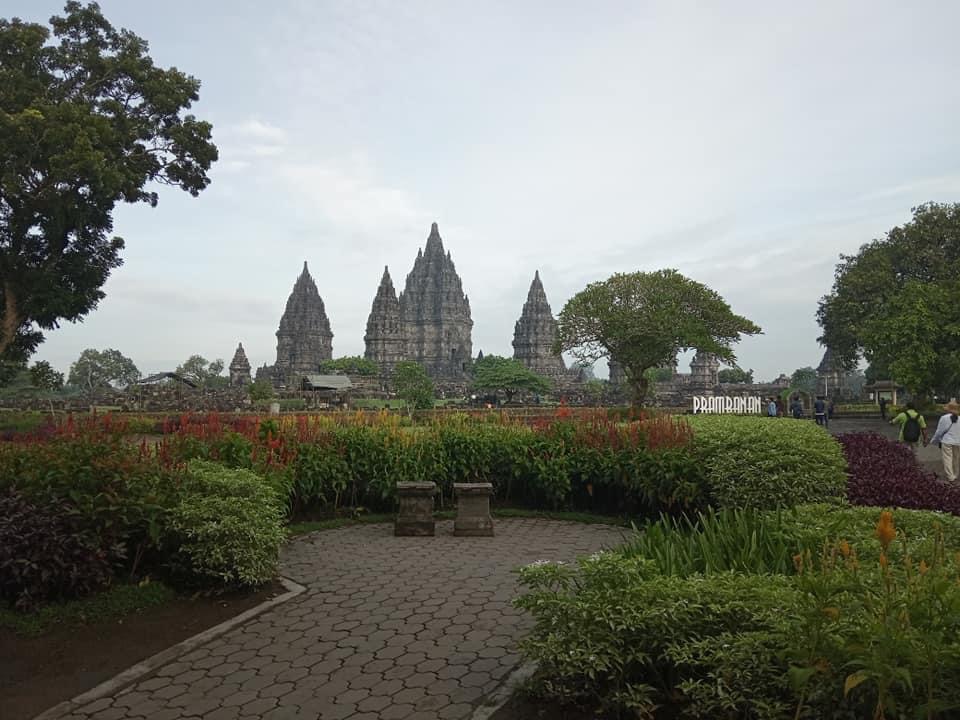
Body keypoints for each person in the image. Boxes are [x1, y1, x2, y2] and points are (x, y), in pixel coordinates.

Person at [929, 401, 960, 481]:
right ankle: (956, 474)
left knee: (947, 459)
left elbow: (939, 431)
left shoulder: (944, 418)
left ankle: (950, 476)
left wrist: (934, 441)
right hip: (958, 442)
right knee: (956, 459)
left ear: (948, 409)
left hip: (947, 441)